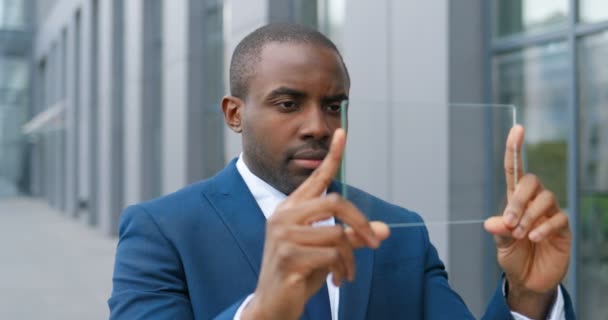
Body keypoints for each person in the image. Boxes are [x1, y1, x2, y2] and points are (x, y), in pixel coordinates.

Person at [108, 23, 575, 319]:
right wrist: (264, 311)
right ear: (234, 114)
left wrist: (529, 298)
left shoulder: (399, 228)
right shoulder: (162, 229)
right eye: (288, 103)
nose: (318, 126)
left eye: (333, 106)